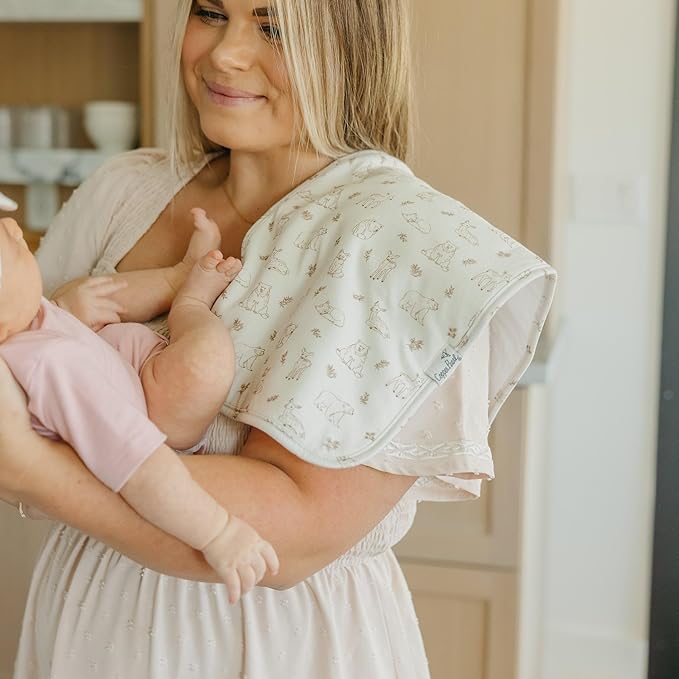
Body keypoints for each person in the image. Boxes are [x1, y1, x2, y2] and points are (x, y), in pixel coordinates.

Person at [0, 1, 556, 677]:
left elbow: (291, 534)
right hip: (86, 622)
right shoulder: (124, 191)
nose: (223, 54)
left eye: (274, 28)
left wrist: (31, 467)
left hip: (268, 642)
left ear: (352, 47)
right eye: (211, 12)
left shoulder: (404, 246)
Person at [0, 211, 279, 604]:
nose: (13, 229)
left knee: (85, 295)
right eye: (8, 246)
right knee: (204, 365)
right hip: (153, 415)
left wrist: (67, 306)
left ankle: (180, 275)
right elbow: (142, 468)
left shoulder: (26, 316)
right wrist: (219, 532)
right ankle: (192, 301)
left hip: (117, 365)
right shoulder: (52, 365)